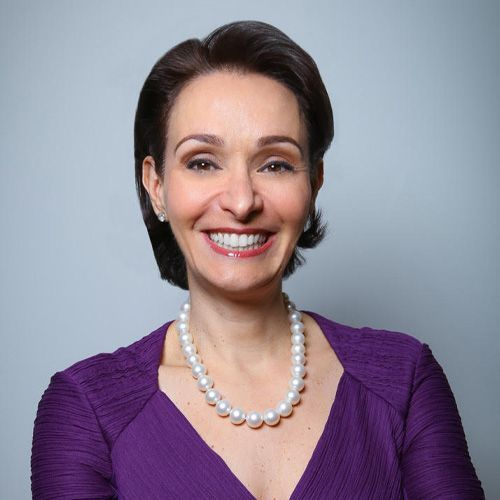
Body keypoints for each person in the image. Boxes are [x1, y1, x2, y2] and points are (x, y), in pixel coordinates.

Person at [30, 20, 484, 499]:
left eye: (275, 164)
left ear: (314, 184)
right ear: (156, 185)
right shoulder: (87, 410)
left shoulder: (404, 381)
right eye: (203, 162)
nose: (242, 201)